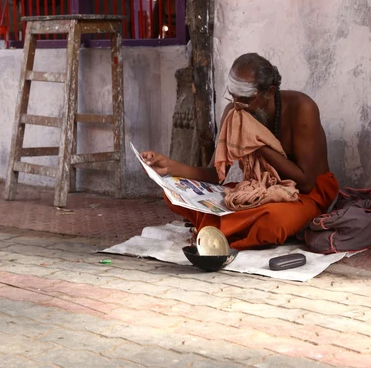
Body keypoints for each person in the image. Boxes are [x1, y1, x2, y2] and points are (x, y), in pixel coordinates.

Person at [142, 53, 338, 250]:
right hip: (257, 190)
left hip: (305, 196)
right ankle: (230, 228)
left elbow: (306, 183)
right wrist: (170, 167)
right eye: (232, 96)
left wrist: (257, 143)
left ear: (269, 92)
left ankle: (223, 230)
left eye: (244, 99)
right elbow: (214, 175)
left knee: (273, 222)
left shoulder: (302, 108)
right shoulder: (234, 111)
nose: (237, 105)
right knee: (172, 193)